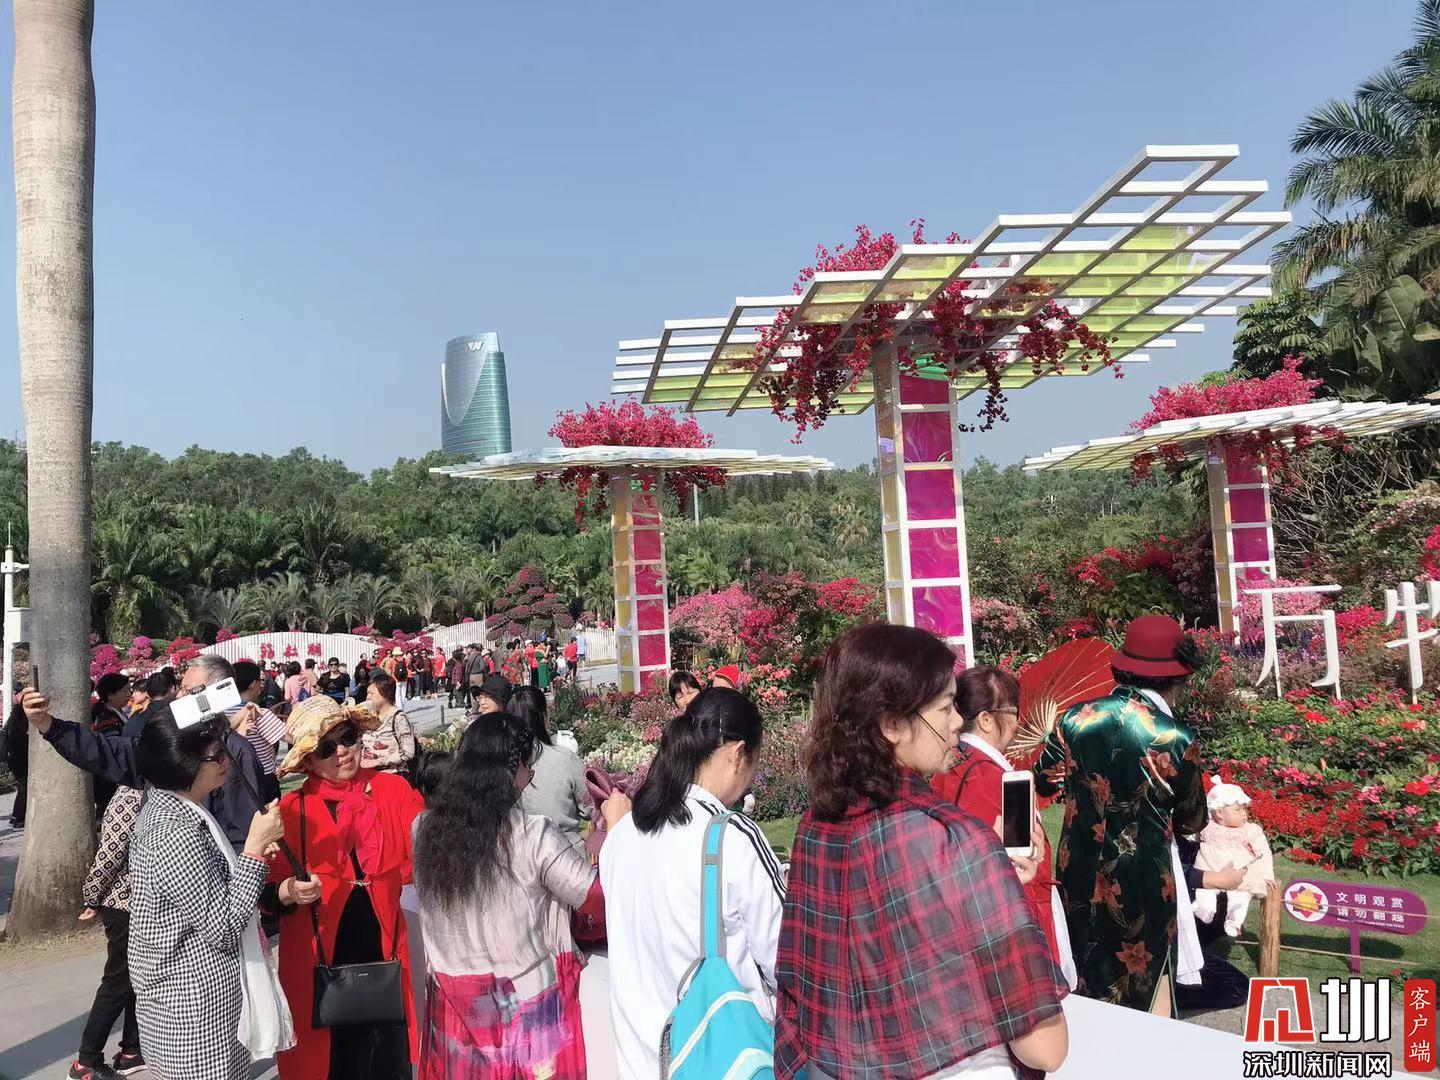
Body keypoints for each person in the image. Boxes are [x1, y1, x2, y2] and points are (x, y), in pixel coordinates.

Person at [778, 624, 1068, 1079]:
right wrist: (990, 874)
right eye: (946, 708)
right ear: (891, 724)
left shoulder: (816, 827)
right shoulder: (957, 842)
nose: (957, 722)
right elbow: (1045, 1047)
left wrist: (993, 874)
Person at [413, 710, 628, 1079]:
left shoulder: (425, 829)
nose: (530, 780)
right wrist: (619, 829)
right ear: (514, 771)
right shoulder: (532, 835)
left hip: (453, 1005)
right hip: (523, 1008)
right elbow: (594, 897)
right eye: (529, 768)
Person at [601, 687, 786, 1080]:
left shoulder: (622, 836)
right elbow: (789, 962)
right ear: (737, 754)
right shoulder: (731, 838)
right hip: (720, 1062)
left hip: (639, 1065)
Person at [1034, 614, 1207, 1017]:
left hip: (1077, 867)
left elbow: (1043, 780)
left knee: (1081, 967)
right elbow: (1192, 820)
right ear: (1176, 677)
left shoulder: (1073, 718)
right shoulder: (1175, 737)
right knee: (1147, 976)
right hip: (1144, 878)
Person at [265, 696, 426, 1080]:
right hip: (320, 959)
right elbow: (267, 893)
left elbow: (427, 850)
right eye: (326, 747)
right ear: (308, 760)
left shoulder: (393, 790)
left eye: (348, 738)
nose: (342, 751)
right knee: (331, 1062)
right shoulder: (291, 811)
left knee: (388, 1057)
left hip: (385, 948)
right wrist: (289, 890)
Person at [127, 715, 291, 1080]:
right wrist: (253, 850)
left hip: (198, 1002)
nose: (225, 762)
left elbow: (212, 894)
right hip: (194, 1011)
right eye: (215, 756)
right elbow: (224, 927)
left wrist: (253, 863)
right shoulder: (173, 833)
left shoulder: (178, 808)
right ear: (183, 764)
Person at [933, 665, 1078, 988]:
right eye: (1013, 712)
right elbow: (1019, 864)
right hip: (1014, 917)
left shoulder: (949, 765)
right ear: (986, 719)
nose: (1018, 722)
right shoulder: (995, 779)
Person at [28, 655, 267, 850]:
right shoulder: (167, 741)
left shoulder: (235, 752)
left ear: (218, 693)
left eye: (188, 690)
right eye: (181, 688)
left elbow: (247, 833)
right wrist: (49, 726)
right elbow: (111, 753)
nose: (179, 696)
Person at [71, 784, 145, 1080]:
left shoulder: (156, 789)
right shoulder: (131, 795)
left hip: (144, 904)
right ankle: (86, 1062)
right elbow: (109, 855)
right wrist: (92, 896)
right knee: (118, 980)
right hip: (123, 904)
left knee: (137, 979)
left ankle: (132, 1051)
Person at [512, 685, 588, 855]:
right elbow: (589, 807)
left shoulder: (502, 763)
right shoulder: (564, 758)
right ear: (544, 717)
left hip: (521, 856)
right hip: (567, 854)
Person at [233, 660, 289, 802]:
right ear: (252, 684)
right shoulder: (260, 714)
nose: (262, 685)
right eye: (261, 681)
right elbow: (290, 737)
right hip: (262, 779)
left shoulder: (221, 715)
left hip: (233, 781)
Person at [362, 669, 418, 774]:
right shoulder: (367, 716)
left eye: (372, 693)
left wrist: (378, 762)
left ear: (385, 693)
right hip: (368, 774)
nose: (368, 697)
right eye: (367, 693)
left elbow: (408, 752)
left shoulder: (398, 717)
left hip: (392, 774)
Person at [122, 669, 178, 739]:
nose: (132, 695)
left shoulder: (132, 723)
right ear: (172, 688)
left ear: (147, 692)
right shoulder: (177, 714)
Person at [5, 700, 28, 828]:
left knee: (22, 786)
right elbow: (22, 742)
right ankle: (18, 817)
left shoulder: (13, 719)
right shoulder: (20, 722)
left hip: (13, 758)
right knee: (24, 786)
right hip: (19, 759)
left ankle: (16, 816)